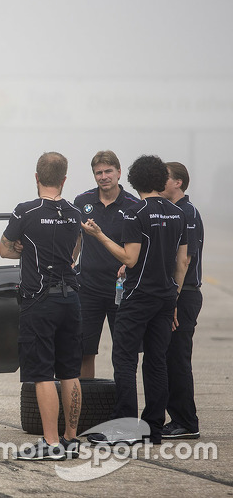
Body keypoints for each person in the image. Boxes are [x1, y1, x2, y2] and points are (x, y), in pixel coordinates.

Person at [82, 155, 189, 445]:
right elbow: (183, 262)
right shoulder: (177, 213)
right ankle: (153, 428)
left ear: (133, 180)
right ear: (159, 180)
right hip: (166, 297)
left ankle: (126, 429)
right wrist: (174, 297)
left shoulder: (135, 212)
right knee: (156, 361)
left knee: (125, 360)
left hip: (138, 296)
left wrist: (101, 235)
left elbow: (130, 258)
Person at [0, 151, 82, 461]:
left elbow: (4, 250)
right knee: (70, 372)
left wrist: (21, 247)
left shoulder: (25, 212)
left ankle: (50, 444)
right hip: (70, 297)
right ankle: (71, 440)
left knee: (43, 374)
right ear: (64, 179)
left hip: (39, 299)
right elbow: (74, 253)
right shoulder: (75, 213)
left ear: (36, 177)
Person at [73, 151, 140, 378]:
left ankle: (121, 405)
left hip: (120, 290)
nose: (103, 177)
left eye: (108, 171)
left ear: (119, 173)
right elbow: (76, 241)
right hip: (88, 289)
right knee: (83, 351)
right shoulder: (82, 202)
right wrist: (69, 263)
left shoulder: (133, 205)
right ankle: (86, 408)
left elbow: (139, 249)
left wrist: (129, 267)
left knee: (123, 352)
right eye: (98, 172)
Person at [160, 161, 203, 440]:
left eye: (164, 178)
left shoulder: (188, 213)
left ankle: (186, 422)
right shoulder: (171, 212)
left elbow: (184, 260)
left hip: (183, 294)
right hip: (174, 294)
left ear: (178, 183)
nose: (159, 182)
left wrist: (172, 300)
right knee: (166, 358)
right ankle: (175, 417)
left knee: (177, 359)